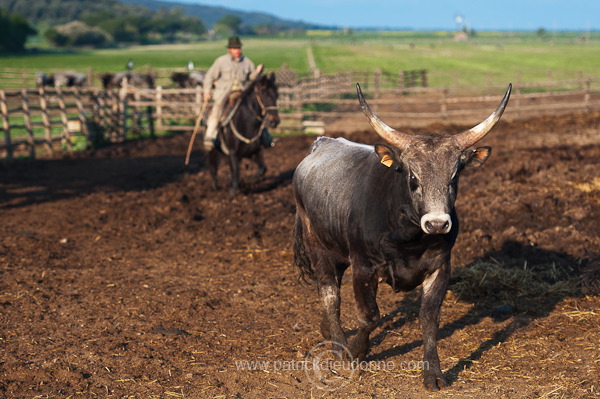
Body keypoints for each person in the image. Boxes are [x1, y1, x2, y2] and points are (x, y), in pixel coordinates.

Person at [202, 36, 275, 151]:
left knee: (257, 111)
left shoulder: (247, 62)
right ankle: (210, 136)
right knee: (217, 111)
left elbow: (252, 78)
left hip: (242, 93)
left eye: (238, 48)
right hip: (224, 93)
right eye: (234, 48)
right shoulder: (221, 61)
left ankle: (265, 136)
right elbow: (210, 76)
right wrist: (207, 91)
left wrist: (257, 72)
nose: (237, 50)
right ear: (229, 50)